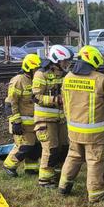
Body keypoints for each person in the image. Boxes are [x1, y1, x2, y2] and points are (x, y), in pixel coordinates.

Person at [58, 45, 104, 202]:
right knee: (95, 160)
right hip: (94, 132)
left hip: (73, 129)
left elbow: (65, 102)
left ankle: (63, 186)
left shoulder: (68, 78)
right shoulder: (100, 79)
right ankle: (96, 195)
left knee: (73, 156)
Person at [33, 45, 73, 188]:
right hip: (45, 120)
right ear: (57, 59)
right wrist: (57, 100)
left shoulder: (64, 74)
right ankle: (44, 180)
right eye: (65, 61)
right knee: (50, 149)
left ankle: (57, 175)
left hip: (61, 119)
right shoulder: (41, 74)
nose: (67, 64)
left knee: (64, 147)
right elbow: (36, 97)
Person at [2, 54, 42, 177]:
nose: (37, 71)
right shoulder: (18, 80)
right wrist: (15, 122)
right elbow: (11, 102)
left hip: (33, 122)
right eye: (35, 69)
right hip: (21, 123)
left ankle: (31, 169)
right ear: (28, 68)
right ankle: (9, 165)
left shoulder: (34, 80)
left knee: (35, 147)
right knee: (25, 146)